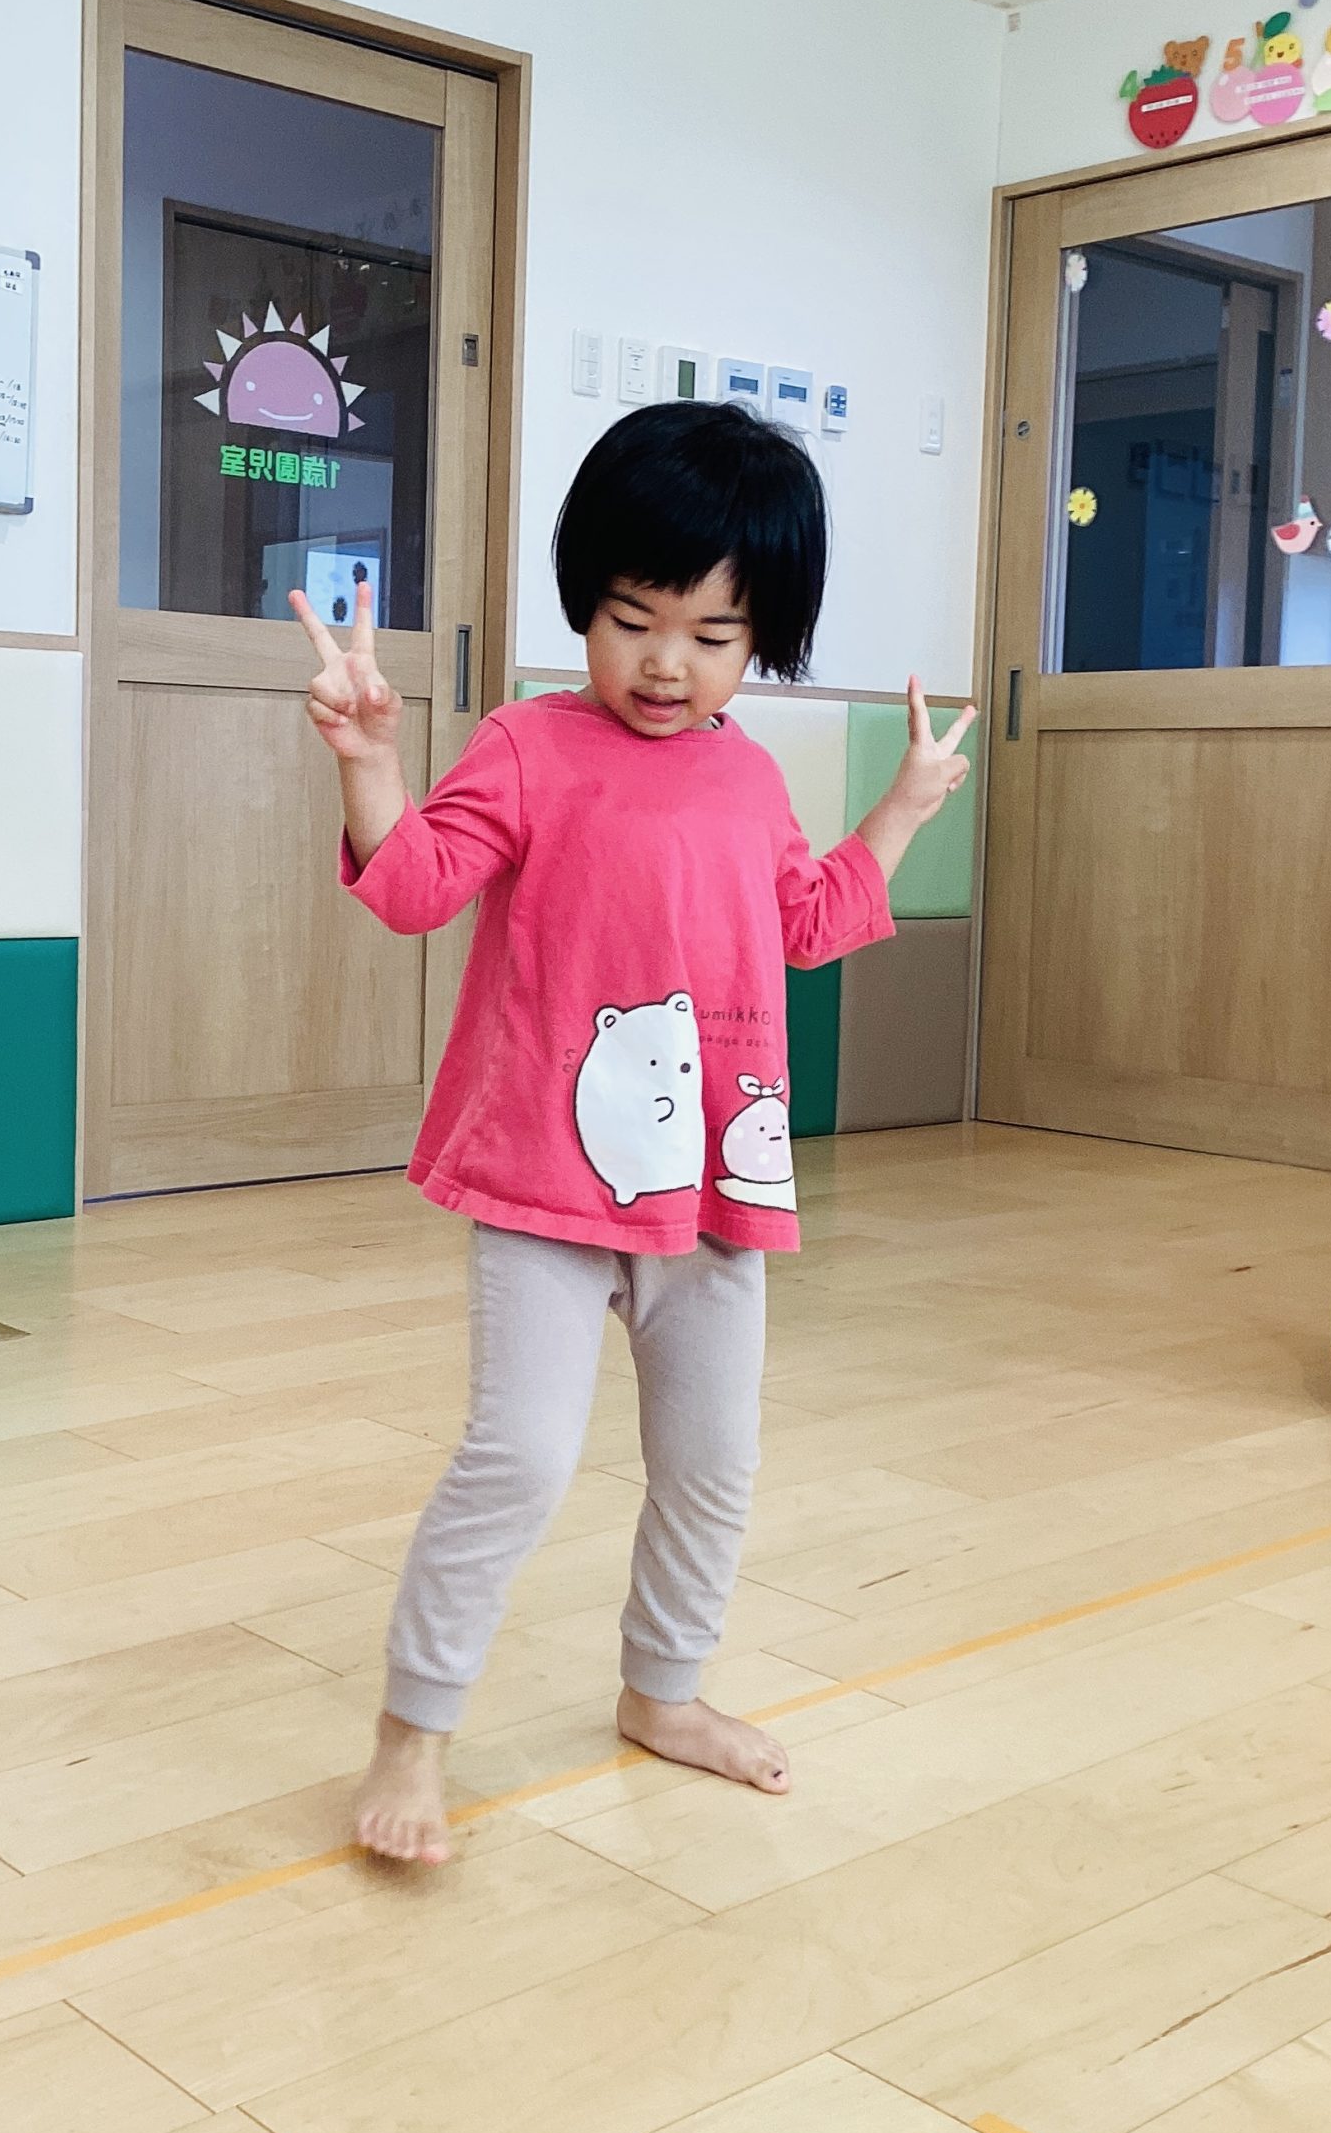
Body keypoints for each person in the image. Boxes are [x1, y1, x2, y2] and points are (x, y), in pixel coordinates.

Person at [294, 401, 975, 1864]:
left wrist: (905, 807)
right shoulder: (527, 745)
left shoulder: (749, 774)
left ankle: (663, 1693)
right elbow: (413, 889)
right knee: (521, 1458)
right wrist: (367, 765)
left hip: (713, 1183)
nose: (668, 663)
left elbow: (805, 923)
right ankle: (413, 1732)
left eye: (713, 634)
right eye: (631, 620)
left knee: (713, 1462)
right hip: (543, 1179)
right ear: (582, 605)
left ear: (760, 637)